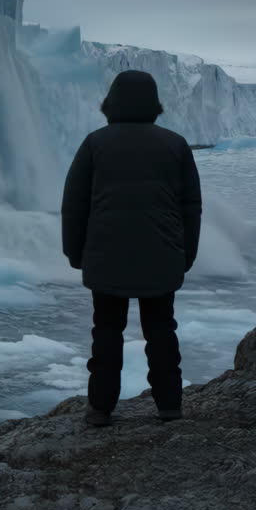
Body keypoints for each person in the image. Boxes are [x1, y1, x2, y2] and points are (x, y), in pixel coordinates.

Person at [61, 70, 202, 427]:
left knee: (106, 331)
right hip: (163, 255)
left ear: (111, 104)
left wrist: (75, 252)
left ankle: (100, 409)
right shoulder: (175, 144)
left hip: (106, 255)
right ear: (155, 105)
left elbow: (74, 204)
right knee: (161, 330)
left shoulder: (96, 143)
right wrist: (186, 254)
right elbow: (191, 206)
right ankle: (169, 406)